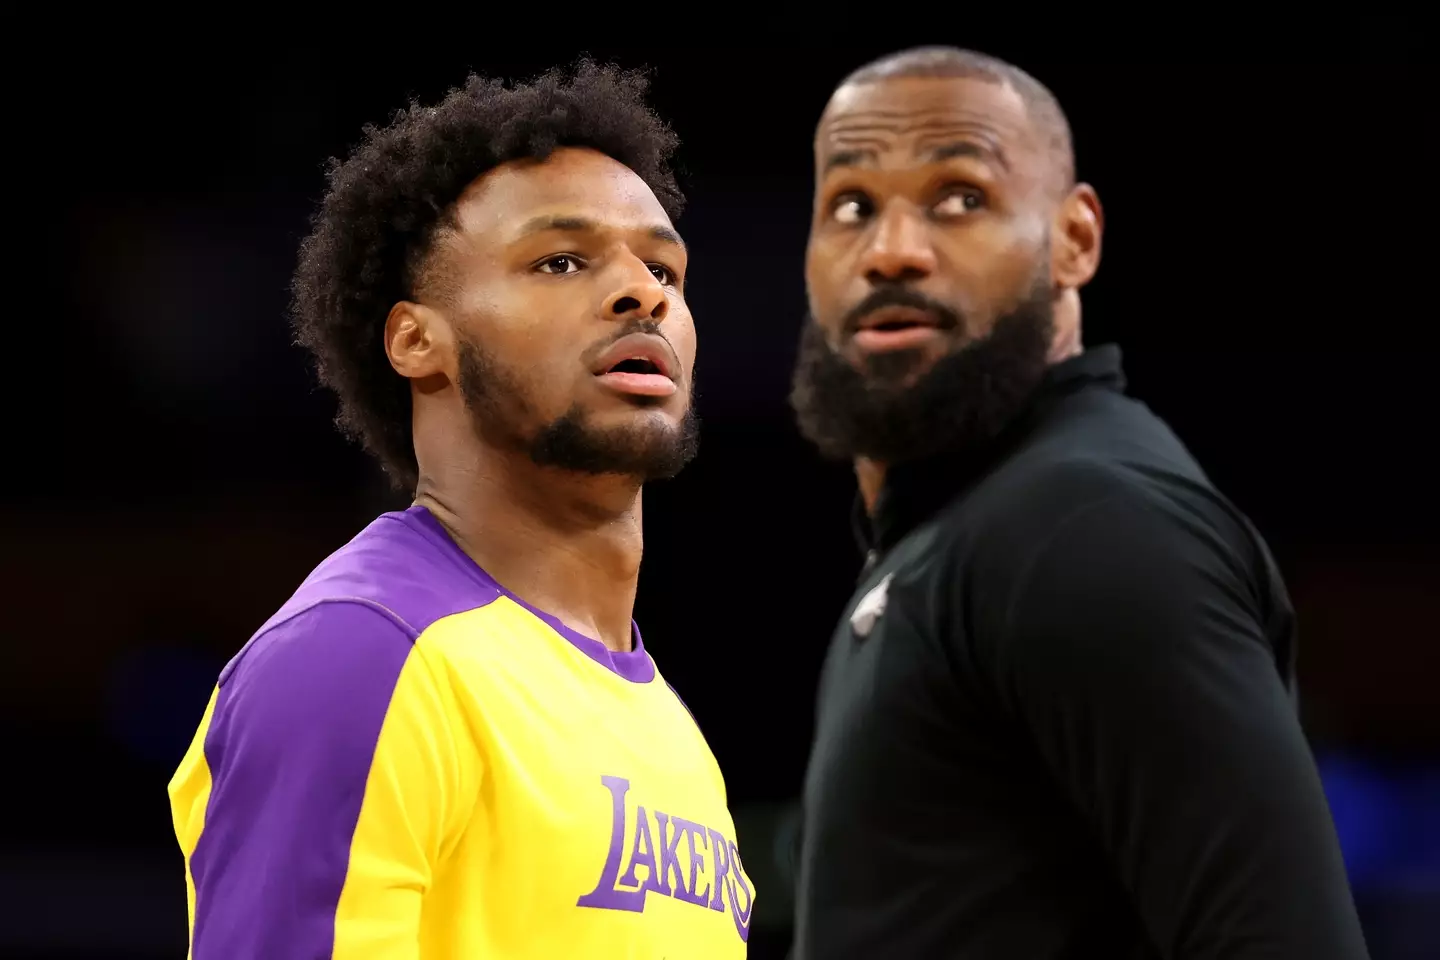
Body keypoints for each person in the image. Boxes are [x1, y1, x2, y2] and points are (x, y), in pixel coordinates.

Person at [788, 46, 1368, 959]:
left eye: (959, 198)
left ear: (1076, 239)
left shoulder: (1086, 522)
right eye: (851, 205)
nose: (891, 249)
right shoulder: (963, 526)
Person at [167, 61, 755, 959]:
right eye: (561, 260)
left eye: (665, 266)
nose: (647, 293)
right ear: (416, 340)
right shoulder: (362, 652)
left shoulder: (669, 725)